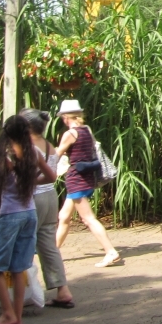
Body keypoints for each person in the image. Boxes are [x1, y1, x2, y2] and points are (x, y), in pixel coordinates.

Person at [0, 109, 76, 312]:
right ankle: (63, 290)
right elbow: (51, 175)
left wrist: (28, 183)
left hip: (30, 200)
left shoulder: (22, 148)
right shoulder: (48, 145)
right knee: (48, 246)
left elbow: (3, 187)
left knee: (11, 250)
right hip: (50, 197)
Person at [0, 115, 55, 324]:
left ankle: (7, 314)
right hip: (29, 214)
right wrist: (32, 182)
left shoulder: (5, 157)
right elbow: (51, 176)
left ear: (6, 133)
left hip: (10, 216)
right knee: (19, 268)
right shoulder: (33, 153)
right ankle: (17, 318)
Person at [54, 100, 122, 268]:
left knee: (88, 219)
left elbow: (57, 154)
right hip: (87, 178)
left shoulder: (70, 134)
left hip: (76, 180)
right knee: (64, 216)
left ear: (65, 117)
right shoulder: (87, 130)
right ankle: (53, 252)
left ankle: (111, 251)